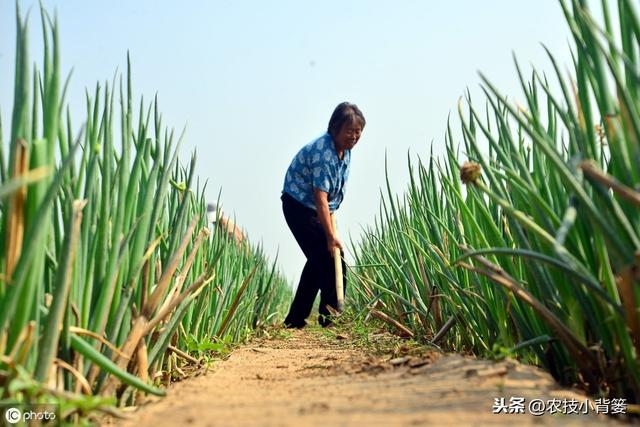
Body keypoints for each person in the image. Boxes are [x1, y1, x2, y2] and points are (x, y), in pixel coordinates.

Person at [281, 102, 365, 328]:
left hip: (319, 209)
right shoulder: (323, 152)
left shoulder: (345, 151)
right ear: (334, 128)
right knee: (327, 259)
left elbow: (330, 196)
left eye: (358, 131)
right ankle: (330, 318)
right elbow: (320, 196)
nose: (354, 136)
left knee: (318, 261)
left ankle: (296, 319)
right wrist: (330, 237)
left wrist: (330, 227)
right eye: (349, 131)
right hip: (298, 205)